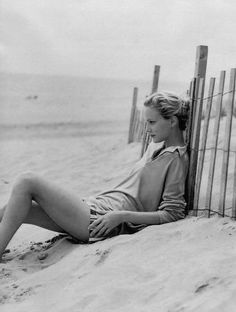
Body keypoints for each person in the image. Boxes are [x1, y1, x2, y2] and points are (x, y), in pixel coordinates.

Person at [0, 91, 189, 260]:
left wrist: (121, 216)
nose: (147, 129)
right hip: (96, 208)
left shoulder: (176, 159)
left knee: (27, 180)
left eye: (152, 122)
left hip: (101, 221)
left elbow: (173, 213)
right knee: (12, 208)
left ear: (172, 121)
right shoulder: (156, 146)